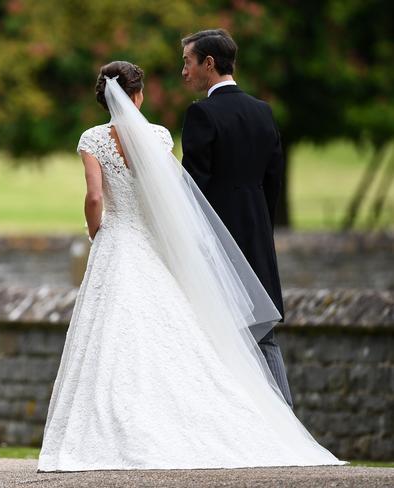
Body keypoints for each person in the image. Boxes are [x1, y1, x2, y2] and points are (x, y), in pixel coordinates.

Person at [36, 59, 345, 472]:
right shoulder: (159, 136)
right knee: (174, 331)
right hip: (152, 244)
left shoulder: (93, 138)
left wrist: (97, 231)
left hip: (117, 240)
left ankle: (114, 425)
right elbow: (169, 195)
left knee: (110, 330)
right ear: (138, 94)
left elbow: (95, 198)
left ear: (103, 97)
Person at [180, 29, 292, 405]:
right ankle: (286, 422)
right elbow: (273, 178)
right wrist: (259, 223)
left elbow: (192, 190)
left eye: (187, 62)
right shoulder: (263, 111)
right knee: (263, 333)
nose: (184, 72)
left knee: (214, 336)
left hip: (216, 242)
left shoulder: (202, 114)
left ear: (208, 64)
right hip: (257, 236)